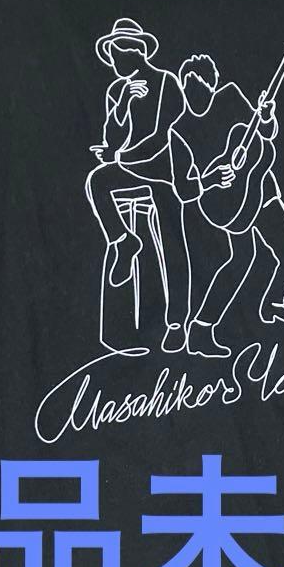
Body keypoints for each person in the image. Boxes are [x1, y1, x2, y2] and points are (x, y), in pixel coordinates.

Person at [170, 53, 284, 359]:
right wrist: (210, 179)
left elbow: (266, 134)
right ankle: (201, 330)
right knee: (241, 260)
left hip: (263, 193)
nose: (195, 98)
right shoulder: (179, 131)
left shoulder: (231, 97)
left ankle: (273, 303)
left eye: (202, 91)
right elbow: (182, 190)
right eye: (188, 91)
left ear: (213, 86)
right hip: (228, 205)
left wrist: (267, 117)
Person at [85, 18, 192, 352]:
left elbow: (161, 138)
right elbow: (111, 137)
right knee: (97, 181)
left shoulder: (166, 83)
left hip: (161, 173)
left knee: (173, 243)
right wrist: (123, 104)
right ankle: (123, 240)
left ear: (134, 51)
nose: (113, 62)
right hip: (128, 167)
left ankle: (177, 323)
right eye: (111, 56)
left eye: (116, 54)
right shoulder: (117, 90)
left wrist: (120, 157)